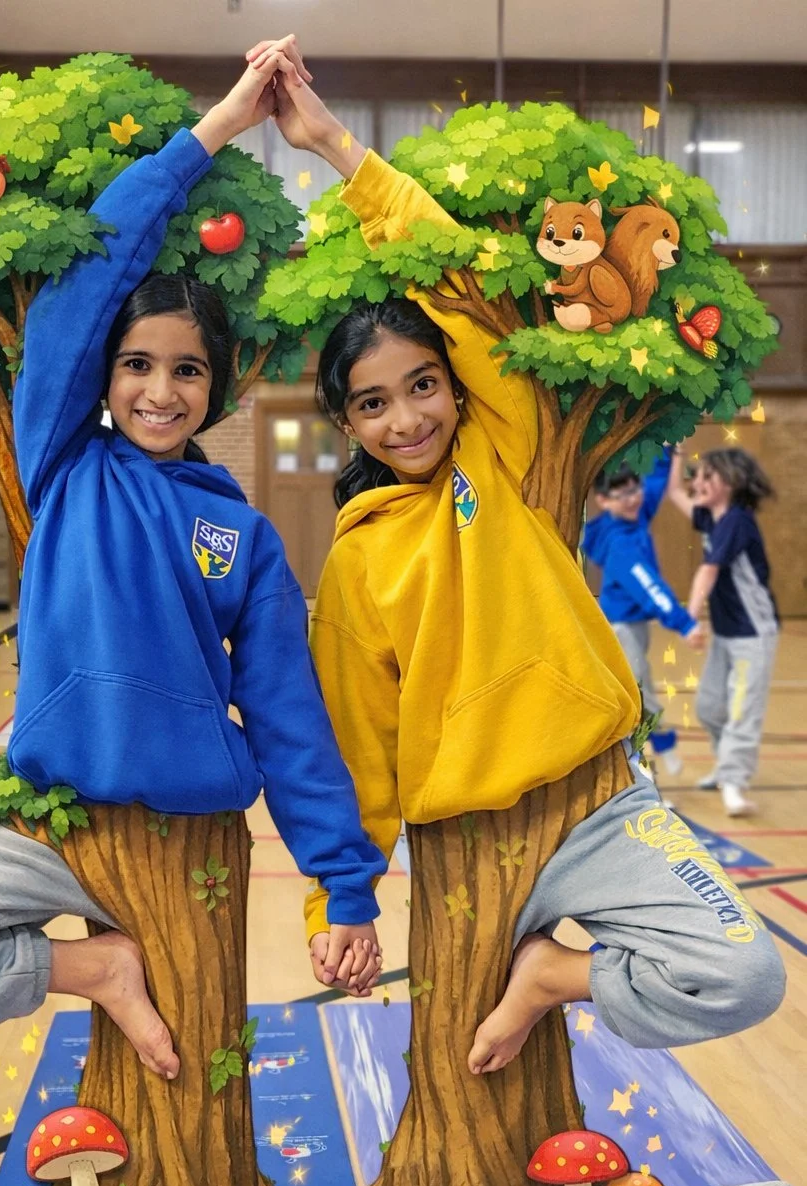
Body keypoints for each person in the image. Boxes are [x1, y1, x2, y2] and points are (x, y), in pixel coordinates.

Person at [0, 54, 386, 1078]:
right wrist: (214, 128)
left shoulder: (244, 538)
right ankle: (97, 972)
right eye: (136, 365)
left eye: (186, 370)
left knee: (192, 1074)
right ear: (102, 375)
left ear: (215, 390)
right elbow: (85, 288)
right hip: (55, 826)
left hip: (188, 839)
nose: (159, 391)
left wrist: (342, 884)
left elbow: (289, 717)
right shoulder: (63, 465)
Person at [252, 36, 785, 1073]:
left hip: (599, 801)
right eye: (371, 402)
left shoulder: (495, 450)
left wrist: (332, 149)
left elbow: (459, 281)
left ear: (453, 384)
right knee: (455, 1068)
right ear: (344, 424)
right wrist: (341, 897)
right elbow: (353, 741)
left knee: (742, 971)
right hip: (463, 844)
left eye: (420, 385)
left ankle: (552, 977)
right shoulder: (357, 564)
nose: (406, 416)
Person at [667, 444, 779, 817]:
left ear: (729, 482)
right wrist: (678, 456)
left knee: (742, 709)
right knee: (710, 706)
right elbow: (674, 493)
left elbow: (709, 571)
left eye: (706, 475)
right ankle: (725, 766)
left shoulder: (736, 521)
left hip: (752, 634)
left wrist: (692, 617)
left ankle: (734, 782)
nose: (697, 481)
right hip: (728, 633)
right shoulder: (711, 517)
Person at [584, 455, 706, 780]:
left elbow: (654, 484)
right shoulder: (621, 543)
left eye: (634, 490)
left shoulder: (634, 516)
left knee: (641, 691)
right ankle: (640, 768)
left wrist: (667, 451)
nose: (634, 498)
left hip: (635, 627)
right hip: (622, 629)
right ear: (603, 501)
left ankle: (655, 753)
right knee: (637, 696)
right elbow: (651, 589)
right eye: (622, 494)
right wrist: (684, 623)